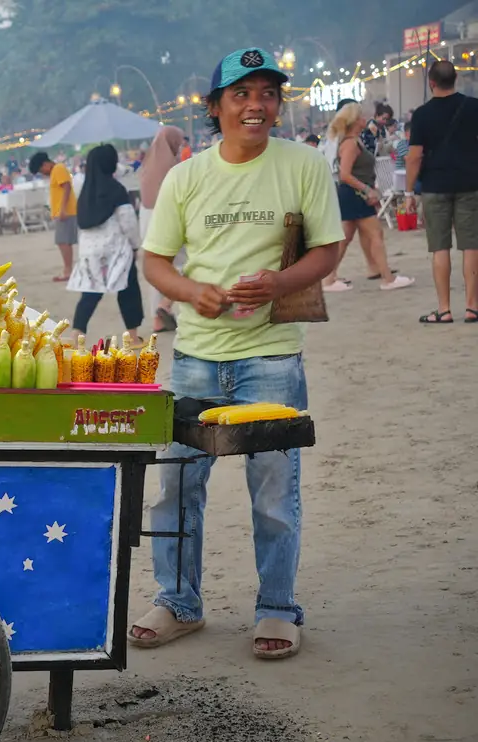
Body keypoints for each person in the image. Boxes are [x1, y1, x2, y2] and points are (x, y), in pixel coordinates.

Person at [137, 47, 345, 660]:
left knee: (275, 491)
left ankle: (277, 607)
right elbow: (156, 261)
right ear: (215, 107)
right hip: (196, 358)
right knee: (176, 484)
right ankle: (178, 602)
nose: (257, 105)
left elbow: (328, 249)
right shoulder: (186, 177)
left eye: (268, 94)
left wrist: (279, 283)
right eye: (242, 94)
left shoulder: (303, 164)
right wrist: (189, 292)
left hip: (273, 356)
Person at [406, 61, 478, 324]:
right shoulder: (473, 106)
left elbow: (414, 156)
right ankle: (472, 307)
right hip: (470, 183)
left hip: (435, 186)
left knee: (440, 247)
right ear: (455, 79)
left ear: (431, 82)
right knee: (471, 245)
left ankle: (444, 309)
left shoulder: (422, 114)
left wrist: (409, 192)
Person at [326, 103, 414, 292]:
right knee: (375, 234)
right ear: (355, 120)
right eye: (362, 116)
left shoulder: (353, 141)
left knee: (347, 238)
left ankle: (330, 278)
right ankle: (387, 278)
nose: (365, 119)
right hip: (355, 194)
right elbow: (345, 175)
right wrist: (367, 189)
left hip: (354, 194)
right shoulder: (350, 144)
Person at [67, 144, 144, 344]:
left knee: (90, 294)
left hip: (91, 252)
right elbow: (128, 222)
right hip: (117, 250)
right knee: (128, 291)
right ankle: (132, 337)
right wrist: (135, 246)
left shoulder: (85, 192)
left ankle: (76, 335)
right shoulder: (116, 189)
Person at [138, 126, 186, 333]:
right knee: (188, 264)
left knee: (157, 269)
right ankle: (165, 304)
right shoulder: (175, 169)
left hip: (147, 222)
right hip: (169, 219)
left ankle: (157, 319)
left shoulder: (146, 168)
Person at [28, 151, 78, 283]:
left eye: (41, 170)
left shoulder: (58, 169)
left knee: (63, 242)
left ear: (45, 164)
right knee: (63, 242)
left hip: (65, 211)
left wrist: (63, 209)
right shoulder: (56, 170)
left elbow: (66, 187)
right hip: (62, 211)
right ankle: (68, 269)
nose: (43, 173)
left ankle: (68, 270)